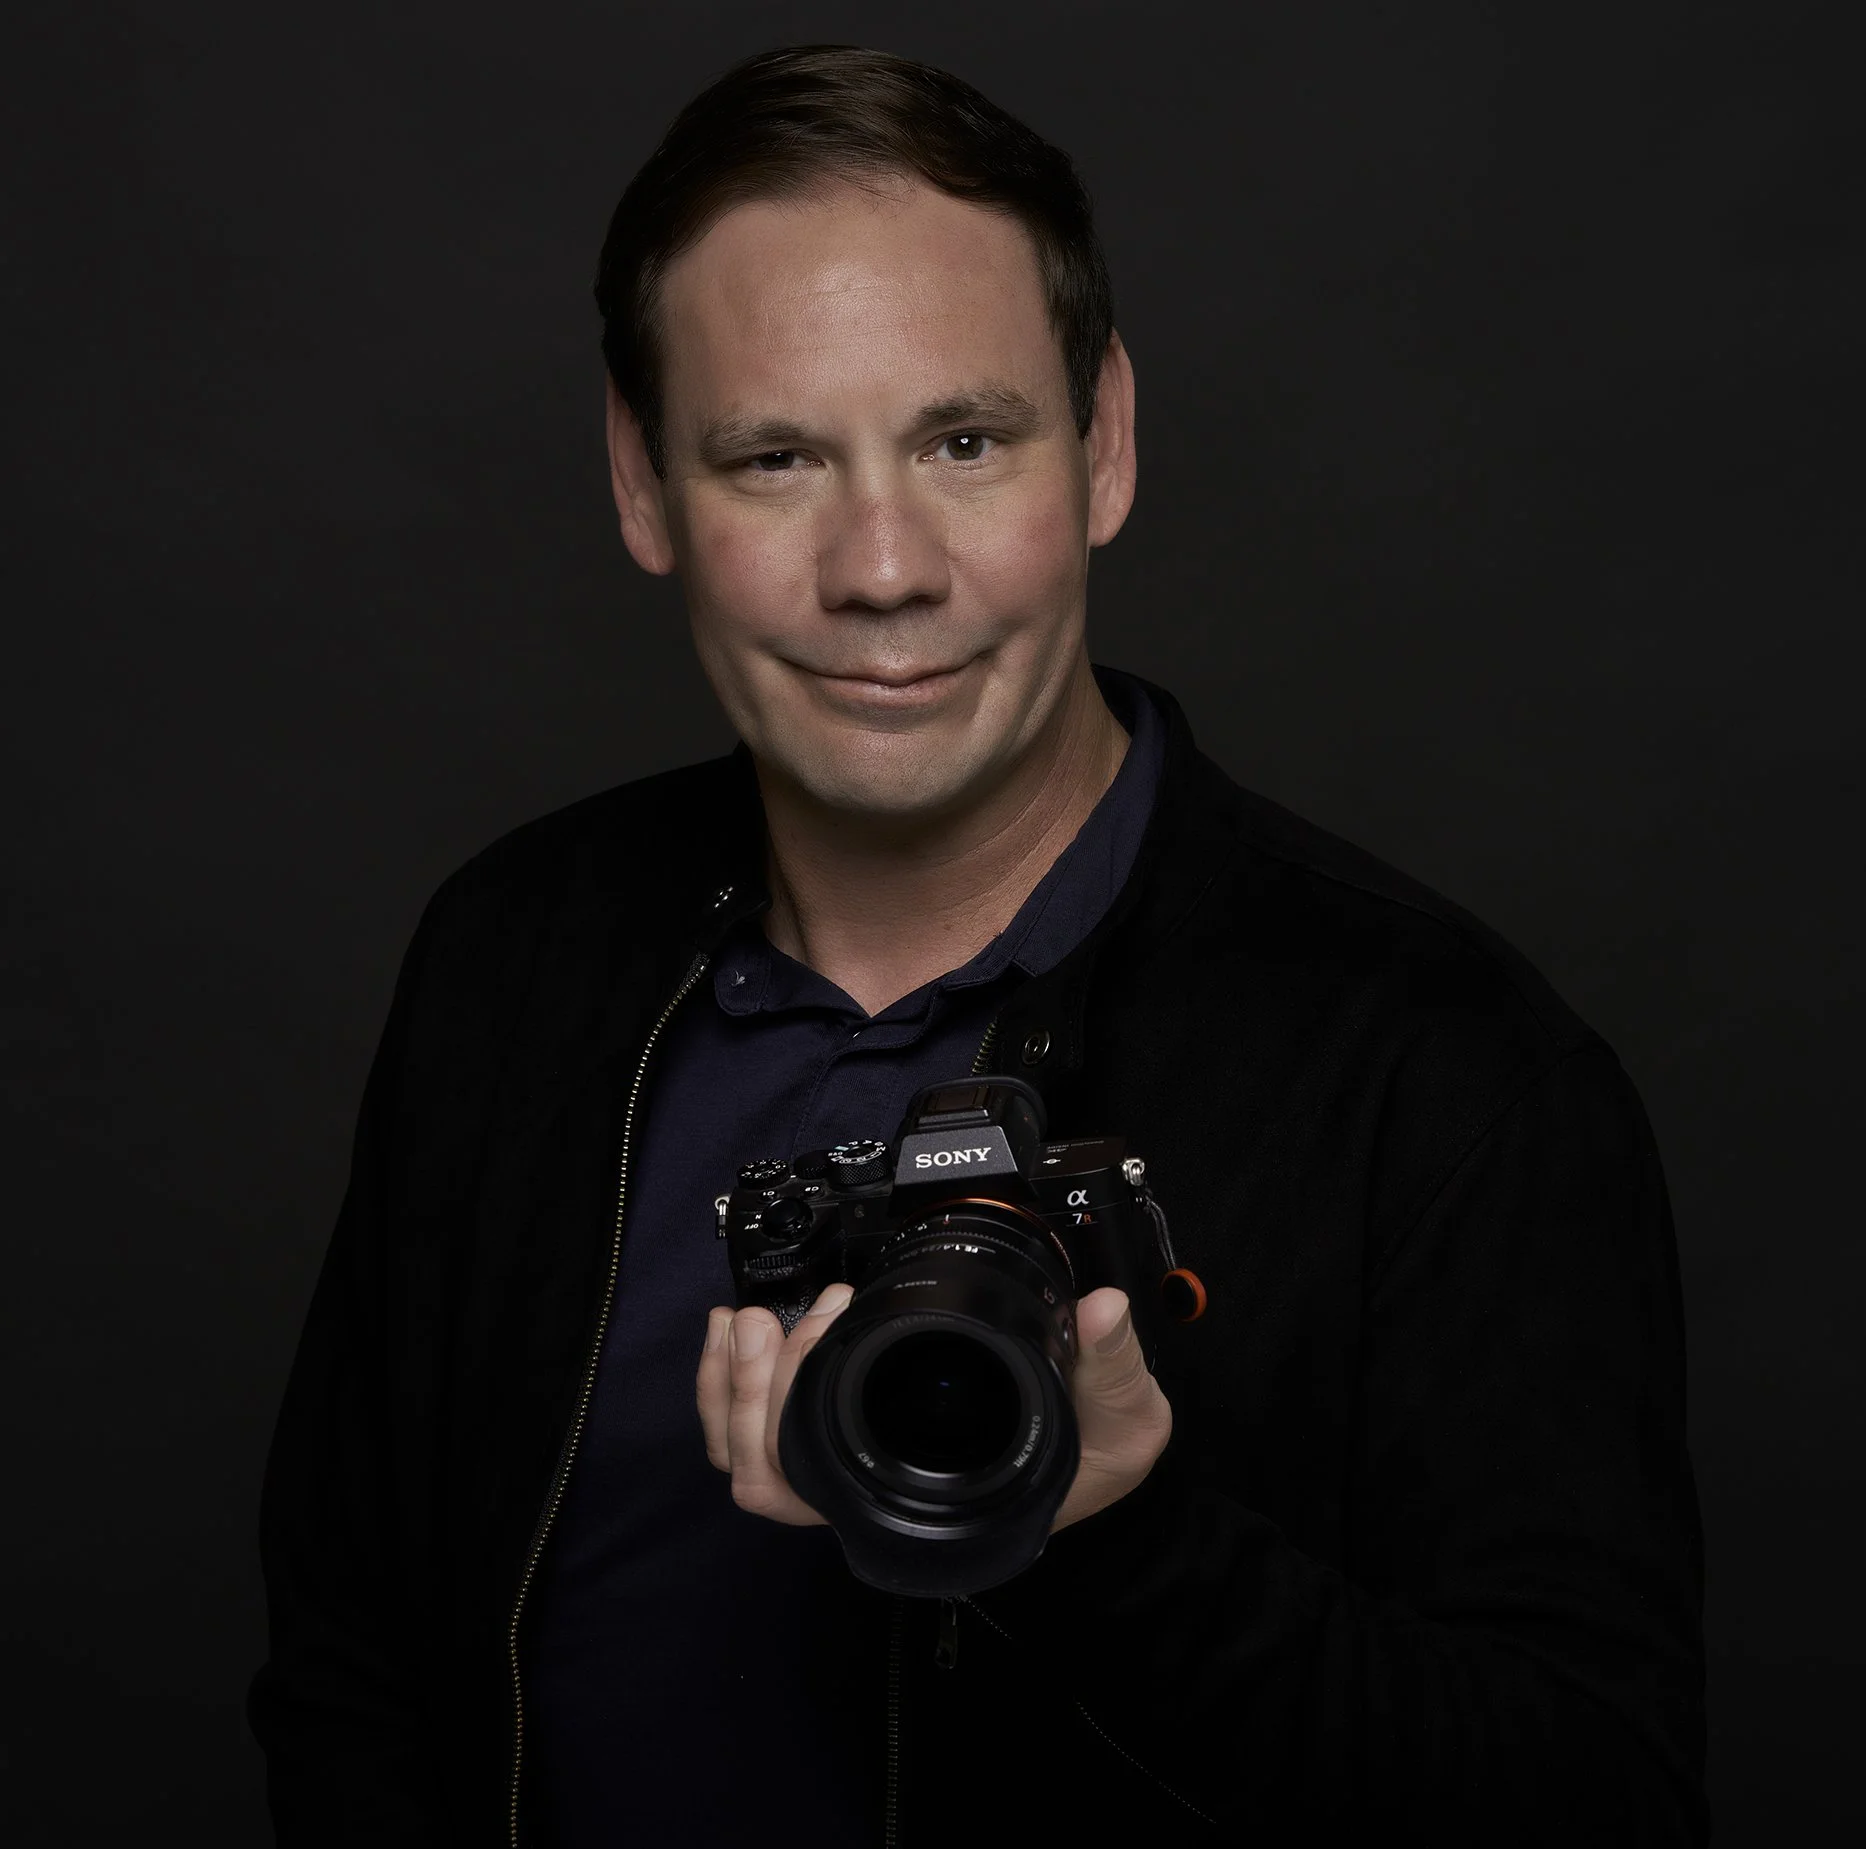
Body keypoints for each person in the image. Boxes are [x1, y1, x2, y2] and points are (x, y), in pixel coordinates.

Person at [247, 43, 1709, 1849]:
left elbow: (1591, 1805)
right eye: (773, 456)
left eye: (962, 440)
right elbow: (348, 1658)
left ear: (1100, 445)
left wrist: (1111, 1533)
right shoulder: (514, 959)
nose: (882, 569)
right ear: (642, 487)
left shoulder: (1443, 1073)